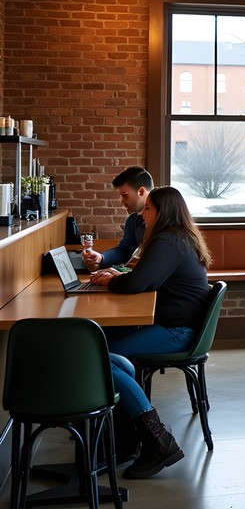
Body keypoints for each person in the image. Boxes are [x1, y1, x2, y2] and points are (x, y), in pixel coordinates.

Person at [91, 185, 214, 478]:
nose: (143, 214)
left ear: (163, 212)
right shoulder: (179, 237)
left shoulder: (168, 240)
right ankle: (125, 439)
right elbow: (145, 279)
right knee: (102, 346)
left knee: (99, 357)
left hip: (178, 332)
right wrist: (119, 276)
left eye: (148, 209)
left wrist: (110, 281)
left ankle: (157, 441)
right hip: (178, 326)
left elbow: (137, 284)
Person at [82, 166, 153, 272]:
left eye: (125, 195)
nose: (122, 202)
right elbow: (124, 251)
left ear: (141, 192)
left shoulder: (165, 220)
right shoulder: (133, 220)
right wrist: (101, 258)